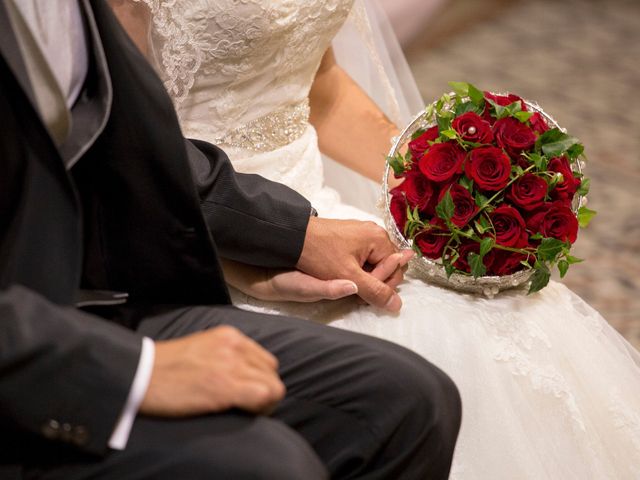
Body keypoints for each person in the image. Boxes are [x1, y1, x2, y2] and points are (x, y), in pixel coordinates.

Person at [113, 0, 640, 477]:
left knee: (515, 316)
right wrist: (258, 249)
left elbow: (320, 87)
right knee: (430, 351)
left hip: (326, 205)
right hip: (192, 223)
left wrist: (435, 185)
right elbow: (123, 147)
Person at [0, 1, 463, 479]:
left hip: (151, 242)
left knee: (415, 398)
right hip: (39, 326)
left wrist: (291, 234)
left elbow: (124, 139)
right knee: (274, 463)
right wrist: (134, 372)